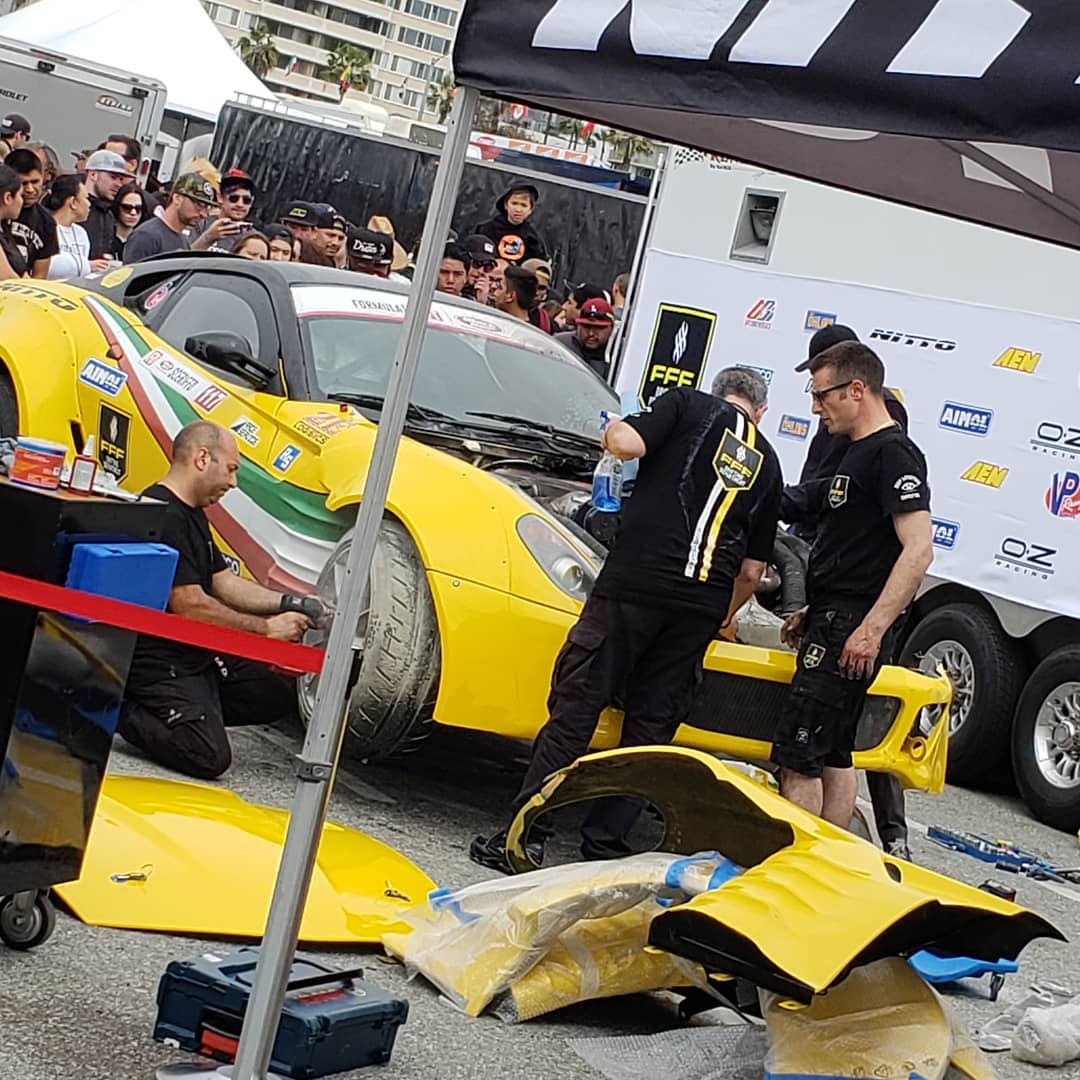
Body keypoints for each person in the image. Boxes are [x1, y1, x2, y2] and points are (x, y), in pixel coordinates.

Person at [471, 367, 783, 871]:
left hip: (635, 583)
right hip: (698, 608)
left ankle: (525, 837)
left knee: (578, 706)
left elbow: (627, 444)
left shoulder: (687, 406)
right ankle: (606, 846)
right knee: (649, 730)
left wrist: (612, 428)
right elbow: (752, 571)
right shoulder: (769, 461)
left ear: (717, 392)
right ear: (760, 411)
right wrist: (719, 618)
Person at [771, 342, 933, 830]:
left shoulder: (894, 454)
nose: (815, 408)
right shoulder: (855, 452)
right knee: (833, 752)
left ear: (856, 390)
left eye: (822, 395)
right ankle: (826, 859)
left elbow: (918, 549)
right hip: (836, 616)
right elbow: (857, 547)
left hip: (852, 627)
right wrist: (816, 609)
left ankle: (794, 862)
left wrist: (870, 629)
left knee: (799, 756)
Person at [117, 421, 329, 780]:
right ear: (202, 458)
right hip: (159, 660)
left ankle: (195, 707)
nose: (233, 482)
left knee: (273, 693)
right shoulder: (163, 515)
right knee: (208, 755)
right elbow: (190, 605)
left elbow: (224, 582)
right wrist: (266, 630)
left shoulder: (192, 513)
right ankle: (120, 709)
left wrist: (292, 603)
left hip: (194, 653)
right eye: (231, 469)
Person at [122, 173, 217, 263]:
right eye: (199, 205)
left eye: (207, 207)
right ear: (177, 198)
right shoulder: (146, 236)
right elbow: (131, 272)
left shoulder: (184, 241)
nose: (204, 214)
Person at [6, 148, 57, 279]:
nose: (30, 189)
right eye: (23, 183)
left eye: (35, 182)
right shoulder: (4, 212)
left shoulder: (46, 222)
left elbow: (40, 276)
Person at [475, 178, 547, 264]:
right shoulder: (486, 229)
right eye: (514, 203)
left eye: (523, 205)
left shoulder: (533, 239)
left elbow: (538, 265)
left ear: (530, 210)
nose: (518, 209)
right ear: (506, 205)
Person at [192, 168, 257, 253]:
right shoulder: (201, 224)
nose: (240, 204)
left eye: (246, 200)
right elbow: (183, 256)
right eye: (233, 198)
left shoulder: (254, 238)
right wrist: (207, 238)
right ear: (220, 197)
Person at [84, 149, 132, 263]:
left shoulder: (109, 215)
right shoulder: (73, 206)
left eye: (121, 179)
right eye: (113, 177)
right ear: (93, 174)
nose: (118, 184)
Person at [44, 174, 91, 280]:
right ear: (73, 202)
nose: (89, 204)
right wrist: (88, 265)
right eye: (86, 198)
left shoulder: (81, 233)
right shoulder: (46, 228)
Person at [555, 297, 615, 379]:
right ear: (578, 325)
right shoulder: (560, 344)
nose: (591, 333)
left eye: (598, 328)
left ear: (611, 328)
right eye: (586, 327)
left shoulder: (621, 355)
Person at [111, 181, 154, 262]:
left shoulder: (144, 240)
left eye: (138, 208)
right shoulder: (105, 236)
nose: (133, 213)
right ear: (117, 207)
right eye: (127, 208)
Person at [0, 164, 25, 279]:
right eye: (20, 195)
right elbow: (7, 277)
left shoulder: (4, 228)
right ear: (8, 197)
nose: (22, 201)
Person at [462, 233, 497, 302]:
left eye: (488, 267)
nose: (481, 271)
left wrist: (482, 302)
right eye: (476, 264)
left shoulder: (493, 297)